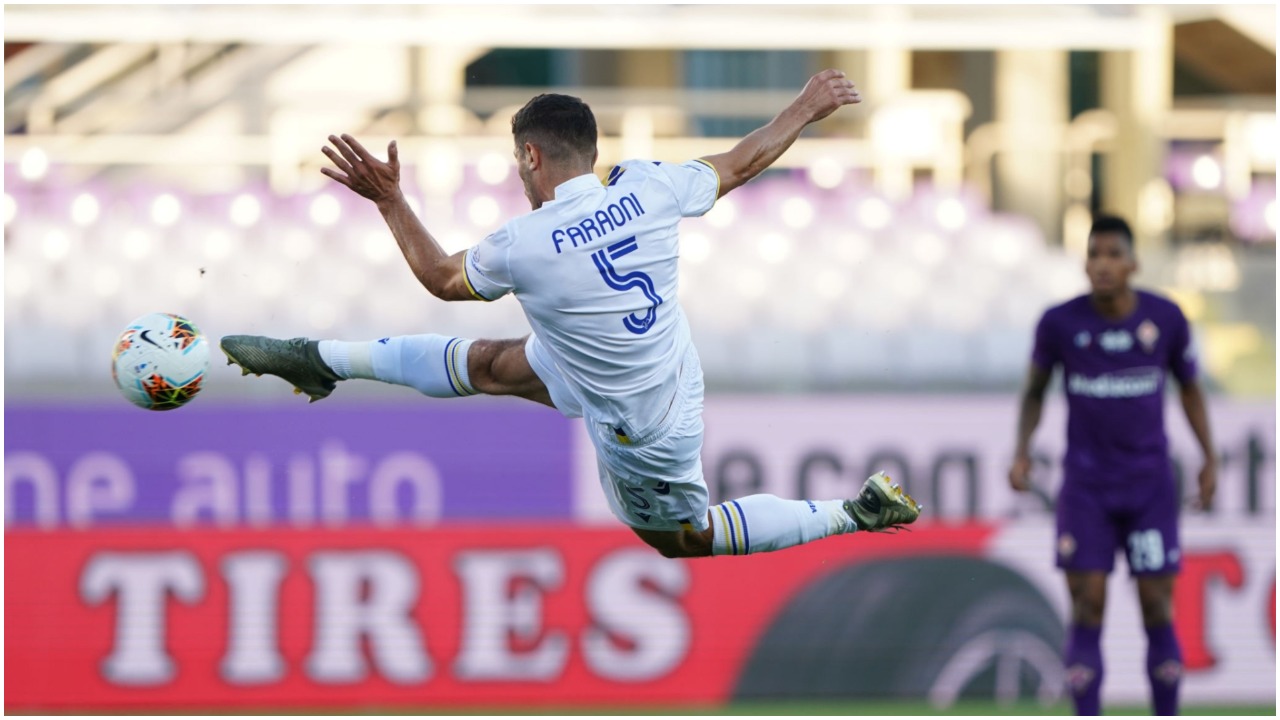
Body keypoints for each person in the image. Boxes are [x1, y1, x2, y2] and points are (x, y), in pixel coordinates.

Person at [221, 69, 920, 559]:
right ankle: (321, 361)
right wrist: (805, 106)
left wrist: (390, 201)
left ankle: (852, 513)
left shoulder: (525, 244)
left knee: (683, 541)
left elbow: (439, 276)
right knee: (494, 365)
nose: (516, 176)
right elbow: (740, 162)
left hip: (643, 425)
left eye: (515, 162)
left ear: (531, 155)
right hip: (649, 360)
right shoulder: (648, 186)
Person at [1008, 215, 1217, 716]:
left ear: (1132, 263)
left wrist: (1210, 457)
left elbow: (1189, 390)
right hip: (1086, 489)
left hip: (1149, 488)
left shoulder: (1166, 319)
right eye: (1093, 254)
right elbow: (1034, 392)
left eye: (1111, 255)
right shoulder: (1059, 323)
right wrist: (1021, 450)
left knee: (1156, 606)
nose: (1101, 265)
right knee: (1087, 605)